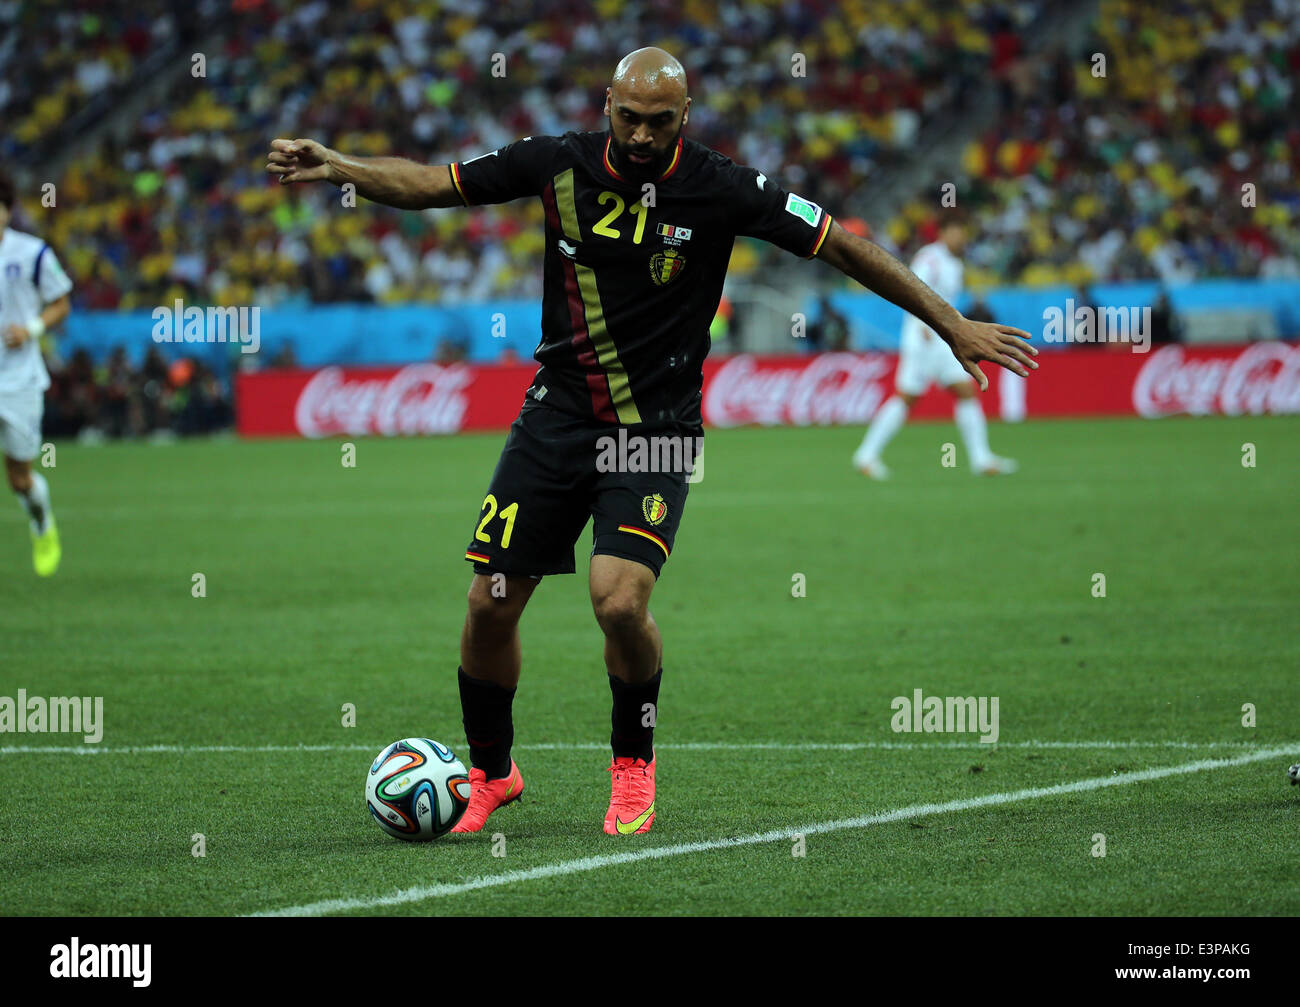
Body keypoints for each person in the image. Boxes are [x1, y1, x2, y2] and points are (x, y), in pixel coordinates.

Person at [266, 47, 1036, 836]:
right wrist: (339, 167)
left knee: (619, 598)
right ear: (607, 103)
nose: (639, 134)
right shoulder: (555, 164)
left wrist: (953, 325)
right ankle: (493, 772)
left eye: (658, 121)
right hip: (557, 415)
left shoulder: (723, 187)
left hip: (656, 429)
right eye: (628, 116)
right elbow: (436, 183)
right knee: (488, 602)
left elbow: (840, 244)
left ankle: (632, 766)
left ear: (685, 117)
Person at [852, 214, 1019, 478]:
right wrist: (922, 326)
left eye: (963, 232)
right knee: (908, 397)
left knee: (965, 391)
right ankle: (866, 454)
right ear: (945, 232)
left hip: (942, 340)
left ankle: (981, 459)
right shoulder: (930, 257)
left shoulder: (955, 264)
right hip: (924, 338)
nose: (961, 237)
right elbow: (911, 288)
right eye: (957, 231)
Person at [0, 168, 72, 576]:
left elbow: (62, 302)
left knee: (19, 478)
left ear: (7, 211)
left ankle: (41, 521)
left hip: (18, 380)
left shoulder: (32, 253)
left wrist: (31, 329)